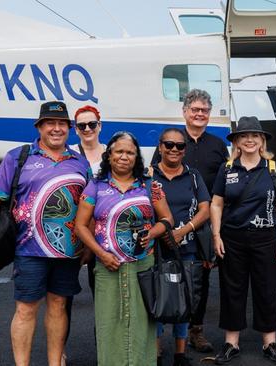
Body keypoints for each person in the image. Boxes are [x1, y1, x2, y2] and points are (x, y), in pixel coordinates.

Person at [0, 101, 90, 366]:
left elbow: (89, 206)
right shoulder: (19, 156)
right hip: (28, 250)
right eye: (51, 123)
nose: (57, 129)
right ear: (40, 127)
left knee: (59, 306)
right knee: (26, 309)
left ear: (69, 128)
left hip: (68, 251)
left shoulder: (80, 163)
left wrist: (89, 246)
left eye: (62, 124)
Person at [74, 131, 174, 366]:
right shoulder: (95, 187)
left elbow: (168, 219)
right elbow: (80, 226)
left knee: (142, 325)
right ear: (109, 155)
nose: (124, 157)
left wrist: (151, 233)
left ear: (136, 157)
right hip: (107, 267)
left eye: (130, 152)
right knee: (109, 324)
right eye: (119, 151)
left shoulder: (150, 186)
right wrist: (101, 255)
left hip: (143, 267)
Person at [209, 116, 276, 365]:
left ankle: (270, 343)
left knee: (266, 289)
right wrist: (216, 235)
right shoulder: (227, 169)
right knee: (232, 289)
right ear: (236, 141)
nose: (250, 140)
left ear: (262, 140)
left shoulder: (273, 168)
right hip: (232, 238)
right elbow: (216, 203)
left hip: (266, 237)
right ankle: (231, 343)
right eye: (244, 136)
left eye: (255, 136)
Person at [151, 89, 228, 352]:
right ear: (185, 112)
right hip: (165, 224)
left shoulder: (217, 145)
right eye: (194, 109)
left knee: (199, 281)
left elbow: (223, 188)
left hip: (202, 222)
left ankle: (196, 330)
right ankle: (159, 336)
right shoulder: (172, 139)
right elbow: (153, 179)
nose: (199, 114)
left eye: (204, 110)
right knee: (161, 279)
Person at [151, 128, 211, 366]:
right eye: (169, 145)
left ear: (185, 149)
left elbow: (205, 209)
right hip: (155, 248)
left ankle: (180, 353)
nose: (174, 149)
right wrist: (162, 232)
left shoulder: (193, 175)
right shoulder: (149, 175)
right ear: (160, 146)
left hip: (187, 248)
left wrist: (182, 232)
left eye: (179, 146)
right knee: (155, 298)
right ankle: (155, 351)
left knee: (183, 300)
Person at [64, 105, 106, 364]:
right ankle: (60, 349)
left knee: (103, 297)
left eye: (92, 124)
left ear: (100, 125)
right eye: (82, 126)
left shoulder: (111, 155)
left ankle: (104, 348)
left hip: (102, 235)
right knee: (62, 298)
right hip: (73, 234)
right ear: (75, 129)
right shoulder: (68, 156)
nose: (88, 129)